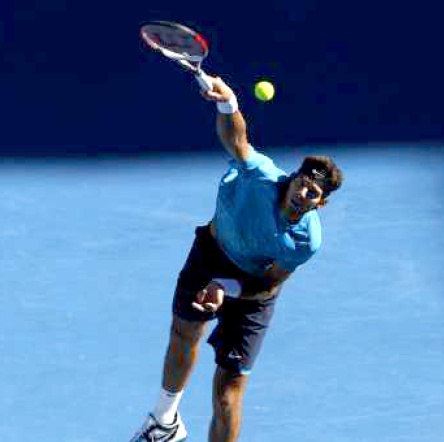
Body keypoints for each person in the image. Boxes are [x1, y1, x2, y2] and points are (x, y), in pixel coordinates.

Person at [129, 75, 343, 442]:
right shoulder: (260, 176)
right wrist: (228, 103)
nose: (303, 193)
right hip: (211, 254)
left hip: (252, 287)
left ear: (320, 203)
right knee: (184, 332)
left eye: (313, 192)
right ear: (293, 178)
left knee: (228, 393)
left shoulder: (306, 241)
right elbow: (237, 140)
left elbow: (269, 284)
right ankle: (164, 423)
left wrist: (225, 288)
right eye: (302, 183)